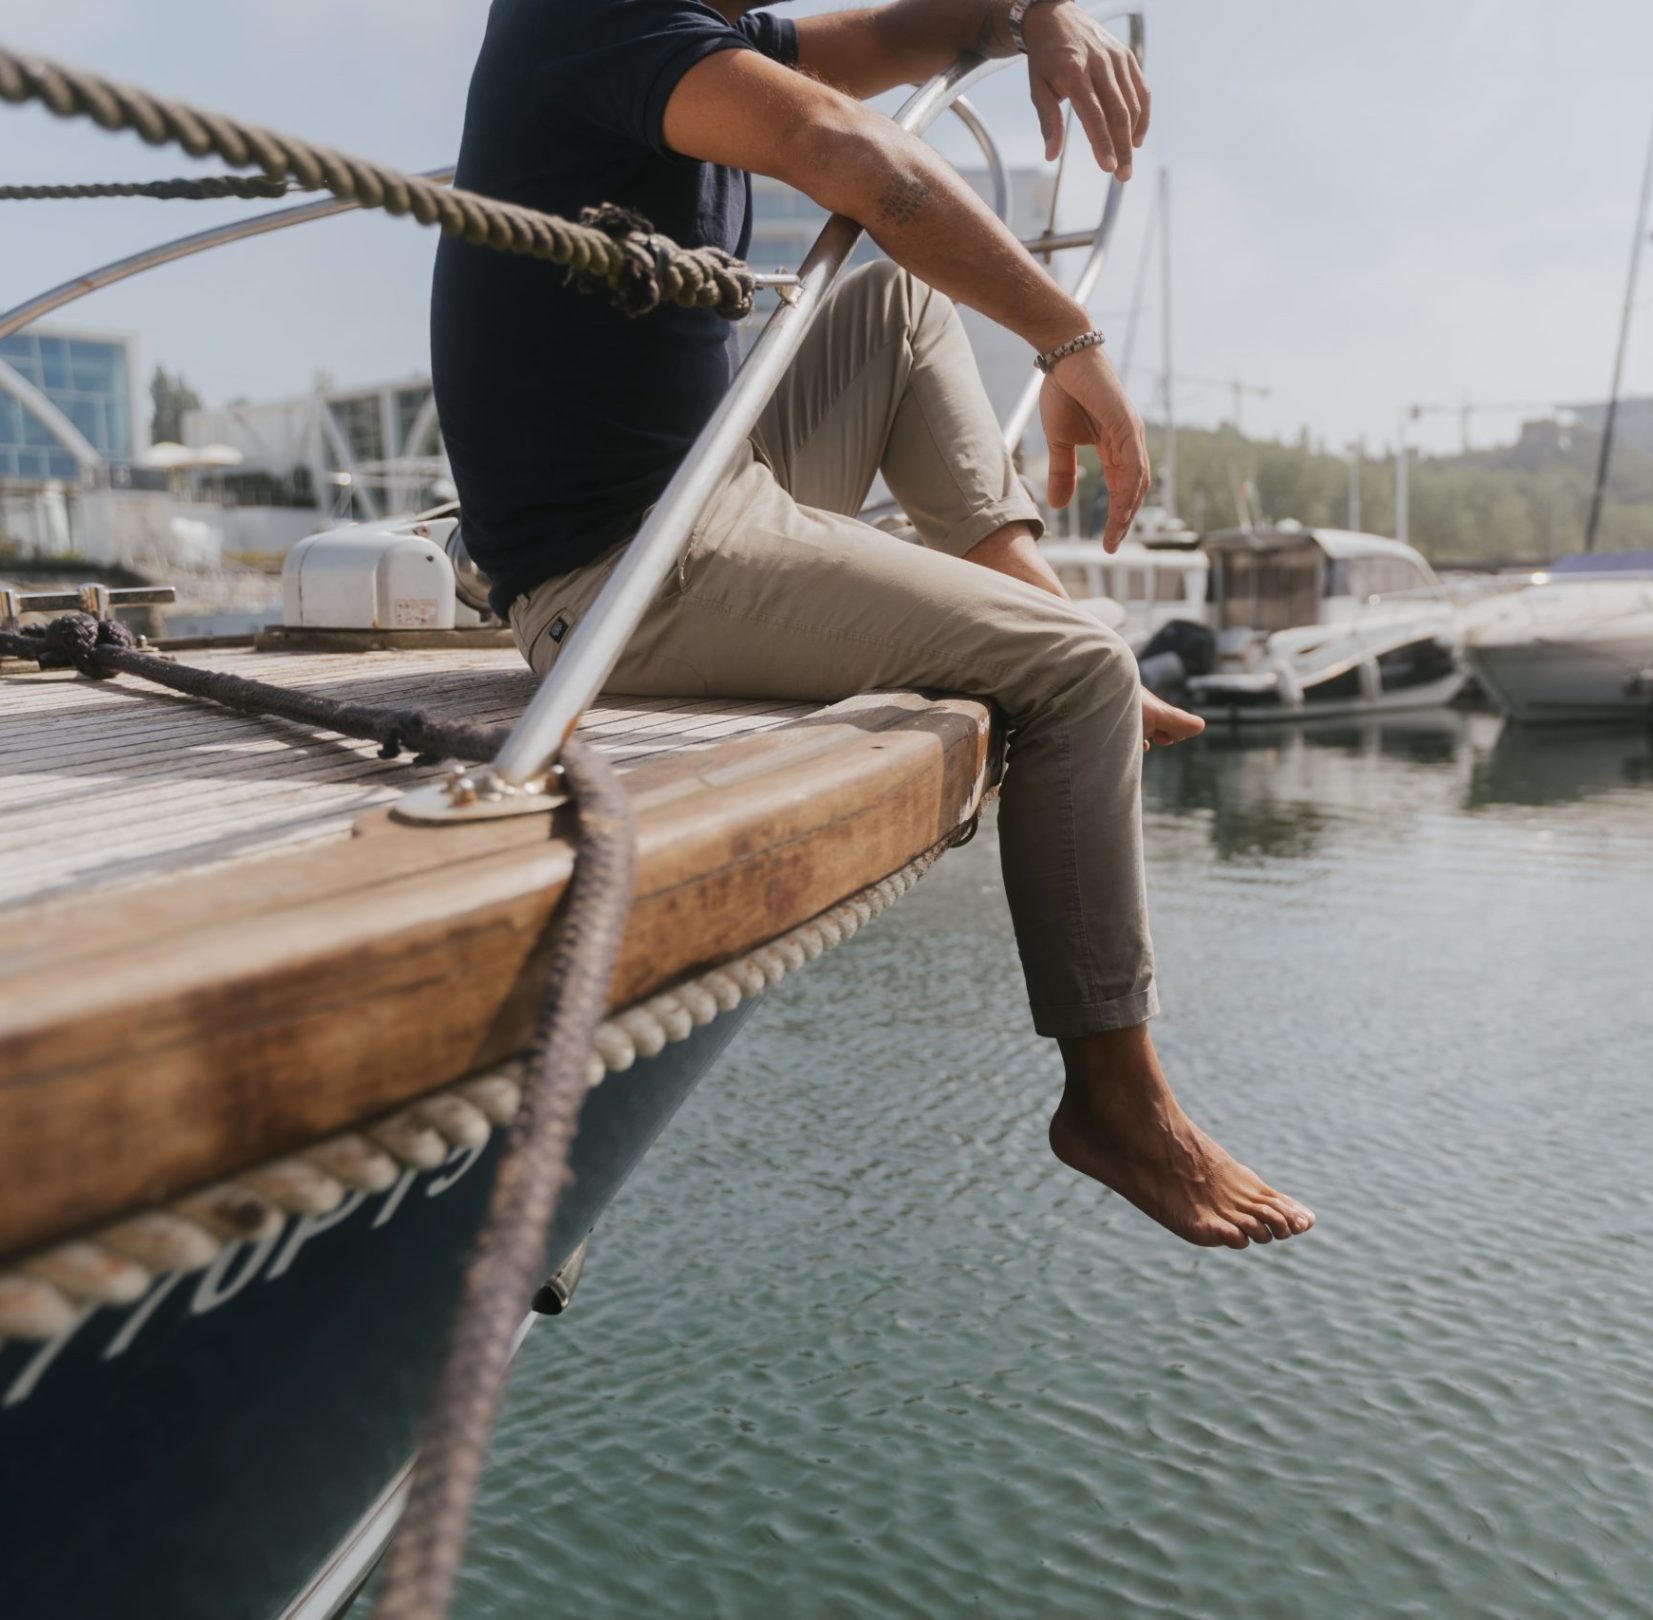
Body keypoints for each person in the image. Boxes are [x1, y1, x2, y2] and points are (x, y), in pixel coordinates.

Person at [432, 0, 1313, 1248]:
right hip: (618, 573)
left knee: (894, 311)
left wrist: (1043, 15)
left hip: (700, 488)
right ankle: (1117, 1103)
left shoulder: (690, 25)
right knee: (1078, 677)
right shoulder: (593, 9)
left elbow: (908, 37)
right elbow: (852, 151)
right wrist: (1066, 341)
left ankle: (1033, 619)